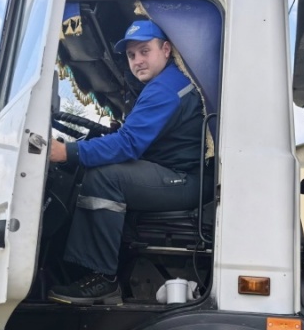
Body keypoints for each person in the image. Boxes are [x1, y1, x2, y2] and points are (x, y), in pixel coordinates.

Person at [47, 20, 206, 305]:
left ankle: (103, 279)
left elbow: (128, 143)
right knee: (102, 170)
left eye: (145, 51)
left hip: (183, 179)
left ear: (166, 49)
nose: (137, 61)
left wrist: (67, 152)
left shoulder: (165, 89)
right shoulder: (166, 83)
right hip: (177, 174)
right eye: (132, 55)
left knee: (104, 177)